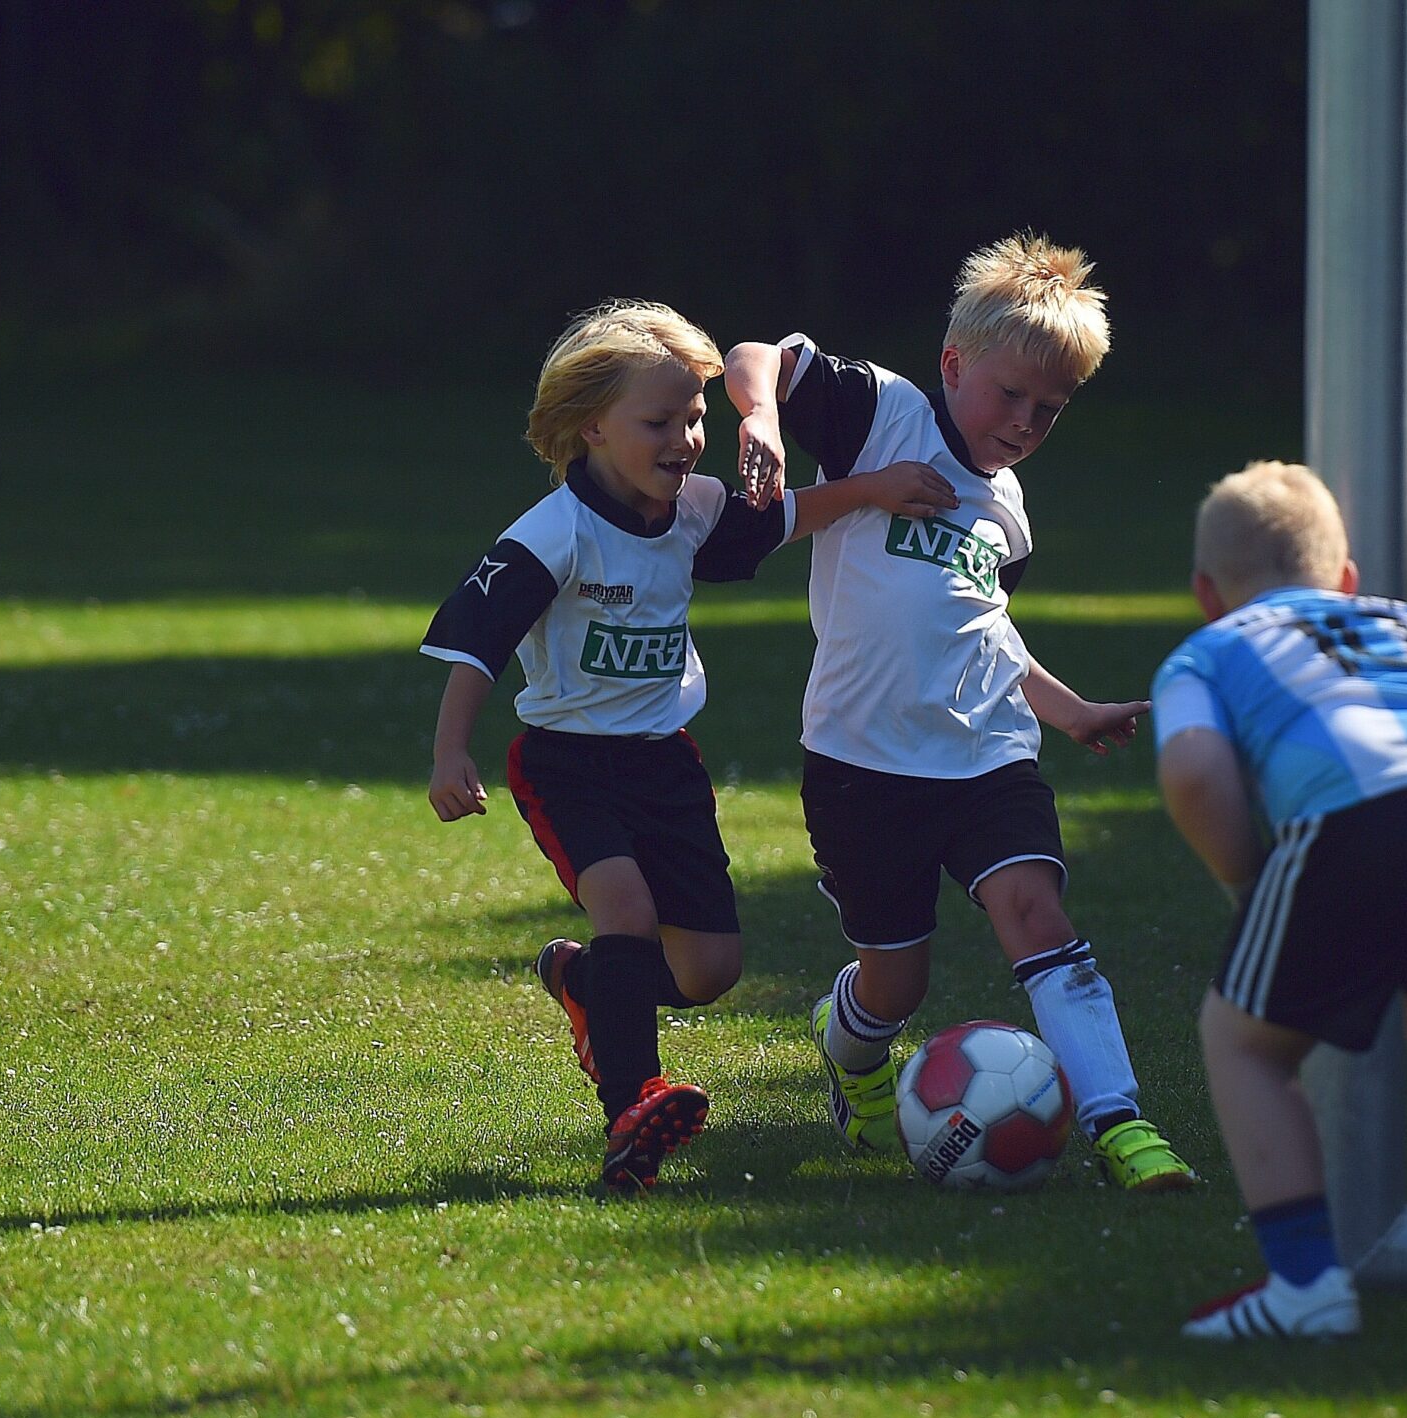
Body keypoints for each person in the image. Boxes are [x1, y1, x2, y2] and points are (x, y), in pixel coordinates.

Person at [422, 300, 955, 1195]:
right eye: (659, 421)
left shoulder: (691, 509)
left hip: (665, 763)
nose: (687, 438)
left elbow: (779, 516)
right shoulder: (552, 535)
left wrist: (870, 489)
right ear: (591, 426)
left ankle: (595, 989)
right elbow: (477, 642)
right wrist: (450, 752)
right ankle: (632, 1113)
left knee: (708, 970)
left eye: (697, 417)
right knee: (625, 911)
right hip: (568, 762)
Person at [723, 233, 1198, 1191]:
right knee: (897, 983)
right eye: (1011, 394)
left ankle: (1120, 1123)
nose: (1025, 423)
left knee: (1036, 909)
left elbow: (985, 635)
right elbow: (755, 357)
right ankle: (851, 1053)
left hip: (989, 760)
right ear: (953, 362)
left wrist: (1067, 713)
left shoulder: (1009, 513)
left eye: (1050, 410)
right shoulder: (881, 414)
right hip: (861, 765)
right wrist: (766, 421)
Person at [1156, 461, 1407, 1339]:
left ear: (1205, 592)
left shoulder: (1209, 650)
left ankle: (1306, 1288)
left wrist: (1245, 884)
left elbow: (1192, 772)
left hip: (1359, 815)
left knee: (1244, 1042)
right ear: (1346, 579)